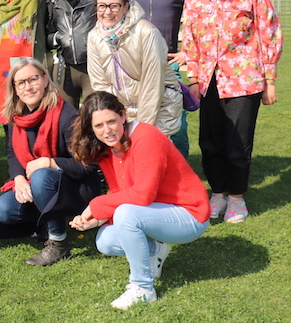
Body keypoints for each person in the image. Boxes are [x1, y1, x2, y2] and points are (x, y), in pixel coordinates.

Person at [70, 91, 210, 309]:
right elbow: (120, 193)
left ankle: (143, 288)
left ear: (123, 116)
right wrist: (99, 219)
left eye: (111, 121)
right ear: (90, 128)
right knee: (105, 241)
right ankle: (155, 250)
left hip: (190, 215)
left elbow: (142, 195)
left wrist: (95, 206)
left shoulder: (146, 136)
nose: (107, 131)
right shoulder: (107, 150)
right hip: (155, 213)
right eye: (99, 126)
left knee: (126, 213)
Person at [182, 0, 282, 223]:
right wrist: (192, 79)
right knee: (210, 142)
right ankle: (218, 193)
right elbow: (189, 40)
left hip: (244, 81)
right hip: (208, 81)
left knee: (238, 143)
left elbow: (269, 33)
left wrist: (270, 80)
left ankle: (237, 198)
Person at [0, 58, 102, 266]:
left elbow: (88, 165)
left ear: (45, 80)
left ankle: (58, 241)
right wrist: (19, 179)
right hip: (39, 184)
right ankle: (45, 220)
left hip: (77, 188)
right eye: (21, 83)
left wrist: (49, 162)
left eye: (33, 79)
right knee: (4, 210)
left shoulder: (66, 115)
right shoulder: (17, 116)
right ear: (15, 89)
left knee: (42, 175)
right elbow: (12, 153)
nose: (28, 87)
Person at [124, 0, 191, 159]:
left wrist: (187, 52)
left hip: (168, 68)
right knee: (136, 126)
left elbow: (199, 22)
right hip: (135, 69)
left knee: (178, 128)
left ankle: (181, 177)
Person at [86, 0, 183, 137]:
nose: (107, 12)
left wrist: (142, 130)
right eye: (102, 6)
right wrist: (113, 119)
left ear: (125, 7)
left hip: (159, 107)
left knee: (149, 154)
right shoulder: (94, 37)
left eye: (114, 6)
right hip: (122, 111)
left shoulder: (147, 33)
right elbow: (100, 85)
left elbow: (153, 85)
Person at [44, 0, 97, 108]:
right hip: (64, 69)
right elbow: (46, 35)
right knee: (65, 121)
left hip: (93, 67)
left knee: (95, 116)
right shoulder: (51, 0)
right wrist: (60, 38)